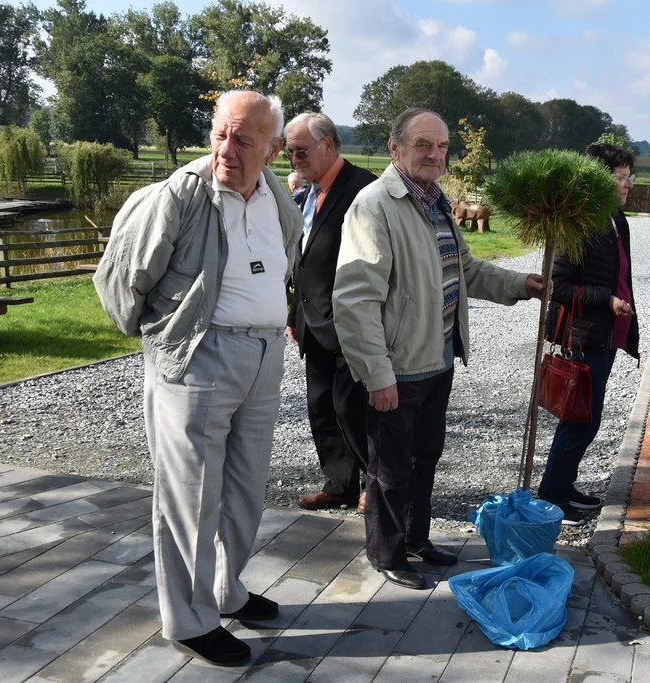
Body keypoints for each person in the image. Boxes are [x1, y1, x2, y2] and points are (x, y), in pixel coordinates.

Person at [93, 91, 303, 666]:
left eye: (243, 139)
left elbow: (289, 257)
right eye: (220, 134)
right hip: (199, 359)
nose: (227, 149)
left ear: (273, 148)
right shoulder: (181, 194)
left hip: (263, 357)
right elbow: (122, 277)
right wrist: (164, 342)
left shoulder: (276, 194)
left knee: (243, 487)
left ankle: (226, 589)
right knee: (191, 496)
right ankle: (188, 621)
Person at [332, 108, 544, 591]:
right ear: (395, 148)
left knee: (424, 456)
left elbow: (465, 269)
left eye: (442, 146)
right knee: (389, 469)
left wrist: (521, 284)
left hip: (437, 358)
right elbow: (355, 300)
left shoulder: (435, 203)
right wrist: (377, 373)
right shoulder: (375, 206)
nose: (435, 154)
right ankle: (386, 553)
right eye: (423, 144)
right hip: (398, 367)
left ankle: (414, 537)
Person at [537, 143, 640, 526]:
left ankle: (563, 487)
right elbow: (558, 285)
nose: (628, 184)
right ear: (598, 178)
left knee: (588, 417)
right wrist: (607, 300)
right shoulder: (578, 222)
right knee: (579, 417)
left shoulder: (616, 219)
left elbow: (621, 275)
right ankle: (551, 497)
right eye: (621, 177)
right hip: (582, 335)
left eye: (629, 176)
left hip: (607, 334)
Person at [284, 112, 377, 511]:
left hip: (350, 323)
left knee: (353, 408)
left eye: (301, 151)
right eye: (289, 153)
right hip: (311, 321)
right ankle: (339, 484)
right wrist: (293, 315)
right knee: (321, 408)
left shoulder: (364, 190)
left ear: (327, 145)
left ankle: (376, 485)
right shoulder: (306, 193)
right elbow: (302, 262)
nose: (294, 161)